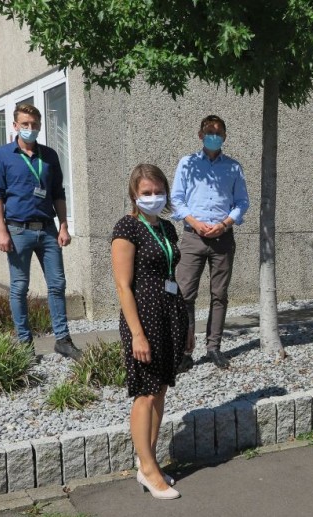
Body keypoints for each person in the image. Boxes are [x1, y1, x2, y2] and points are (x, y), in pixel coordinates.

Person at [112, 164, 186, 500]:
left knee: (160, 391)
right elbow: (123, 287)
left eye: (158, 191)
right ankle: (147, 468)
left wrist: (186, 326)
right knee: (145, 393)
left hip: (169, 314)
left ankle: (149, 462)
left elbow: (173, 278)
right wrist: (137, 334)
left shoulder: (168, 229)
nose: (153, 198)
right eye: (147, 192)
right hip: (143, 318)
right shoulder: (127, 228)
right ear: (134, 194)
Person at [0, 103, 81, 359]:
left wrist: (63, 226)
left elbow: (58, 193)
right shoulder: (2, 155)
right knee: (19, 287)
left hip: (48, 230)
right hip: (17, 230)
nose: (30, 129)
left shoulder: (49, 156)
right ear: (15, 126)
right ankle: (25, 344)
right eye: (25, 124)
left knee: (57, 285)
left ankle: (62, 339)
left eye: (34, 125)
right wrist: (0, 230)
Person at [171, 115, 249, 370]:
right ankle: (185, 350)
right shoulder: (187, 163)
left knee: (220, 295)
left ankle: (214, 347)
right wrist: (195, 222)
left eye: (218, 132)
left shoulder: (234, 167)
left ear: (225, 136)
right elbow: (177, 200)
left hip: (222, 239)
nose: (214, 136)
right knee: (185, 295)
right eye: (209, 131)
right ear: (200, 133)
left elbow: (241, 202)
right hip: (193, 237)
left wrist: (225, 224)